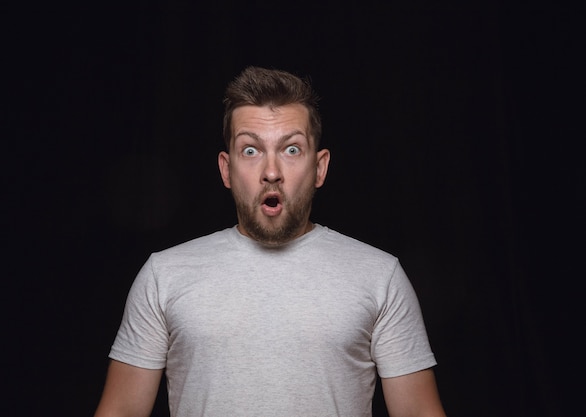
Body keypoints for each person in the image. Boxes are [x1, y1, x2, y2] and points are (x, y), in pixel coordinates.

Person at [94, 66, 446, 417]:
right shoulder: (164, 275)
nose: (272, 171)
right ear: (226, 169)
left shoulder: (379, 276)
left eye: (291, 150)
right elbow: (121, 411)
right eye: (251, 151)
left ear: (319, 167)